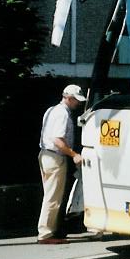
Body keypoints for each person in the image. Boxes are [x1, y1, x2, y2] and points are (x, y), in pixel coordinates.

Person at [37, 84, 85, 244]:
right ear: (69, 98)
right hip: (56, 157)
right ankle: (46, 234)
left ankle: (49, 231)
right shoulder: (63, 114)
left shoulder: (52, 110)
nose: (78, 103)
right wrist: (74, 154)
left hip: (45, 155)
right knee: (53, 197)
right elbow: (58, 140)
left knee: (49, 195)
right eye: (76, 100)